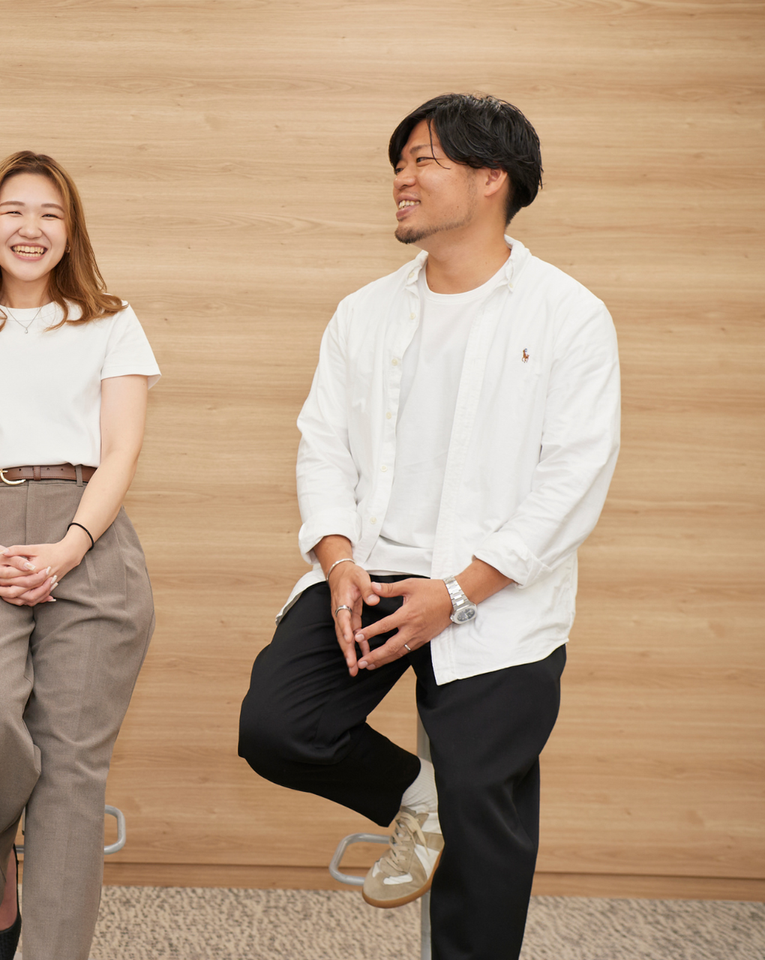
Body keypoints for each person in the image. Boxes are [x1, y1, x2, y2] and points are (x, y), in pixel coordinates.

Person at [237, 94, 620, 959]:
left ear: (492, 179)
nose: (402, 180)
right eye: (399, 164)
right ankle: (419, 798)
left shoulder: (568, 314)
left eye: (424, 161)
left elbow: (573, 478)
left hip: (497, 591)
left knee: (486, 821)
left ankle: (457, 820)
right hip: (371, 571)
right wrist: (337, 560)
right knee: (278, 727)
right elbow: (322, 448)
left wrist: (459, 592)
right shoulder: (363, 313)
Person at [0, 150, 159, 960]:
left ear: (71, 231)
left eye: (51, 214)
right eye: (14, 210)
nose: (31, 228)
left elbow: (120, 451)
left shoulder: (112, 322)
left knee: (71, 770)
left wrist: (68, 548)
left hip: (89, 533)